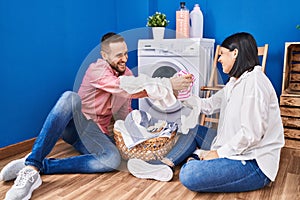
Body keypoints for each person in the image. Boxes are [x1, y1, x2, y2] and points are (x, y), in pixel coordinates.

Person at [0, 32, 193, 200]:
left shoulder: (126, 73)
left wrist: (138, 131)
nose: (124, 58)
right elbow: (123, 88)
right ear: (104, 56)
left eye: (126, 53)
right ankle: (32, 168)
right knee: (70, 97)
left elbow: (124, 110)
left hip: (95, 132)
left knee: (112, 159)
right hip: (77, 124)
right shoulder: (98, 69)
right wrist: (167, 84)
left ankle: (39, 163)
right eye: (118, 55)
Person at [127, 32, 285, 193]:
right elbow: (208, 105)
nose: (219, 59)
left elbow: (251, 135)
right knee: (193, 130)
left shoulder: (254, 84)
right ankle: (166, 165)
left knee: (189, 175)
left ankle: (194, 158)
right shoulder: (235, 82)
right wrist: (182, 95)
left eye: (222, 54)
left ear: (235, 53)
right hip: (231, 145)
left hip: (253, 162)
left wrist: (217, 153)